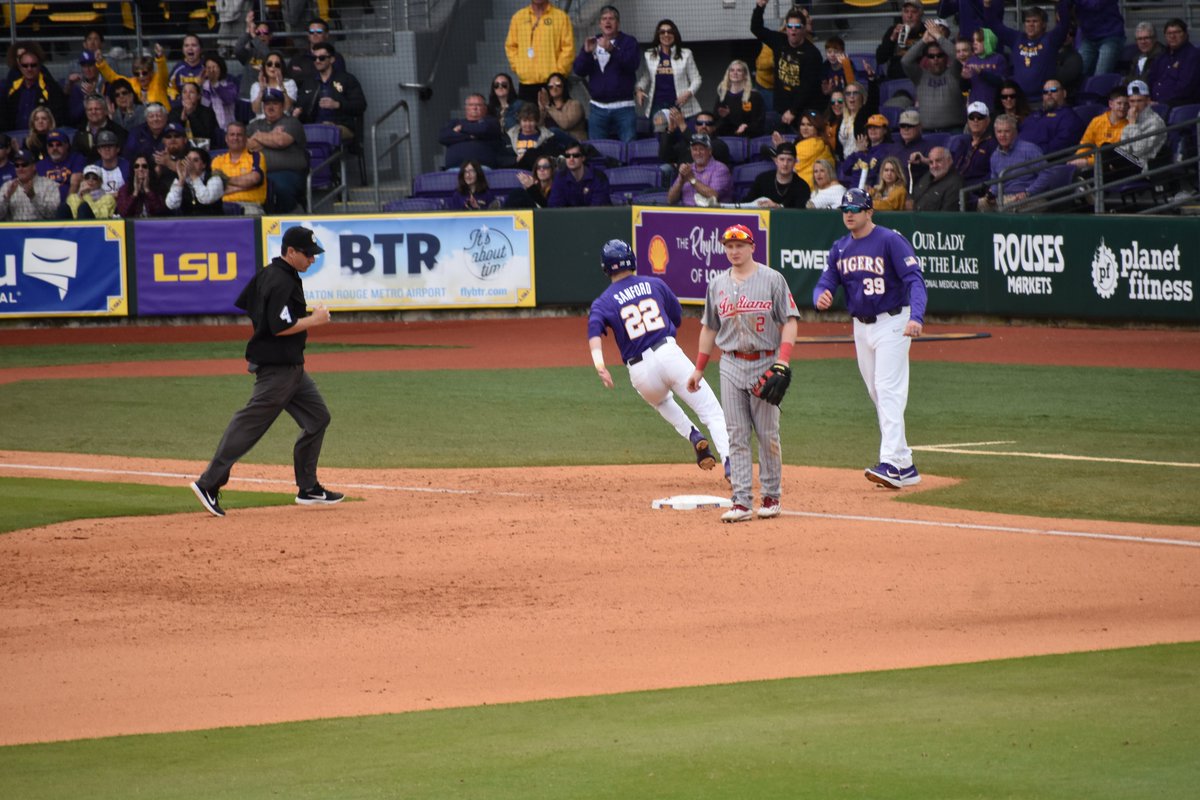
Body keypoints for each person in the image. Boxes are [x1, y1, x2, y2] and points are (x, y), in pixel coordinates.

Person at [190, 225, 344, 518]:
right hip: (278, 371)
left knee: (317, 417)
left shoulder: (269, 274)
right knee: (249, 424)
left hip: (291, 369)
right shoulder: (281, 280)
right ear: (291, 252)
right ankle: (208, 483)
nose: (312, 259)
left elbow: (250, 305)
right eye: (308, 254)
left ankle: (308, 488)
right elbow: (280, 327)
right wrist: (315, 320)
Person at [588, 239, 731, 479]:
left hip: (639, 371)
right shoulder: (654, 283)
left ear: (605, 267)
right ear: (631, 260)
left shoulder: (602, 302)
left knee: (662, 402)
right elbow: (676, 317)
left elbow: (593, 332)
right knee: (711, 411)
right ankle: (730, 462)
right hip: (667, 353)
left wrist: (600, 365)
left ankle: (692, 433)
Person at [814, 189, 927, 490]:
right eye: (845, 209)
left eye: (855, 209)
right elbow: (826, 280)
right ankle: (905, 464)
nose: (849, 214)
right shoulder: (840, 248)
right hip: (861, 327)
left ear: (869, 212)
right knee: (878, 393)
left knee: (888, 390)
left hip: (894, 321)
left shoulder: (890, 240)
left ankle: (890, 463)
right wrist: (820, 294)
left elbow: (915, 280)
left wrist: (916, 317)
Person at [687, 224, 801, 523]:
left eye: (739, 245)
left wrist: (783, 361)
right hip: (731, 364)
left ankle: (771, 496)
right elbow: (709, 328)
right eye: (729, 246)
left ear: (752, 247)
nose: (734, 251)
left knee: (767, 434)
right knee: (736, 435)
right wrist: (699, 368)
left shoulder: (772, 279)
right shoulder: (717, 284)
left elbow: (790, 321)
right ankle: (741, 501)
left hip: (765, 362)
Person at [751, 0, 822, 130]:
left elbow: (807, 87)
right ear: (786, 28)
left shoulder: (812, 54)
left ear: (804, 28)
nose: (793, 30)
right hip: (780, 107)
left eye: (797, 27)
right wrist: (760, 7)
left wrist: (793, 110)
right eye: (790, 26)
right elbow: (756, 28)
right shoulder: (779, 41)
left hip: (801, 111)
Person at [573, 5, 640, 142]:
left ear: (618, 23)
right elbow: (579, 70)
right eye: (604, 19)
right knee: (597, 148)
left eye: (611, 18)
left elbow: (632, 64)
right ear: (599, 24)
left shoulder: (629, 42)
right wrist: (586, 53)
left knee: (629, 147)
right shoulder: (593, 42)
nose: (607, 22)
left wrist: (612, 50)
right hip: (598, 108)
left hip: (624, 108)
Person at [994, 2, 1072, 105]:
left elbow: (1064, 24)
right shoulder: (1016, 38)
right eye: (1027, 21)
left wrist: (1062, 3)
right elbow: (994, 25)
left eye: (1035, 21)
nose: (1031, 24)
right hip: (1020, 101)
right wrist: (987, 6)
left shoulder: (1050, 40)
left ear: (1043, 24)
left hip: (1042, 101)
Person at [247, 89, 309, 213]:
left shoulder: (292, 122)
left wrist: (258, 136)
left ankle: (290, 213)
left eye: (275, 103)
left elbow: (280, 141)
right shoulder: (254, 125)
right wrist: (271, 135)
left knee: (278, 187)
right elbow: (247, 145)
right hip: (258, 172)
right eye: (267, 104)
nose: (270, 107)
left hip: (289, 173)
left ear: (282, 106)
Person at [294, 42, 367, 144]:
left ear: (332, 59)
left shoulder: (347, 79)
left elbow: (360, 105)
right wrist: (297, 112)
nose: (317, 61)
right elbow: (301, 106)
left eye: (322, 58)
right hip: (314, 127)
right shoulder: (309, 82)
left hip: (341, 126)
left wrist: (338, 105)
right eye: (314, 58)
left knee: (326, 131)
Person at [505, 0, 576, 103]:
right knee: (527, 113)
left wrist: (558, 74)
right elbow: (511, 46)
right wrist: (520, 68)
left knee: (554, 114)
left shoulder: (561, 17)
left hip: (553, 85)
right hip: (526, 86)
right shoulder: (518, 18)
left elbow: (568, 48)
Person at [636, 19, 702, 127]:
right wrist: (639, 90)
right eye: (662, 32)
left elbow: (696, 79)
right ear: (658, 35)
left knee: (683, 134)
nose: (666, 35)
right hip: (658, 104)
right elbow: (646, 77)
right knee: (660, 135)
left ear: (675, 34)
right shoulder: (649, 55)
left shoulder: (686, 54)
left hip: (680, 104)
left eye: (669, 32)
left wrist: (688, 93)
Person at [902, 21, 967, 132]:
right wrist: (923, 41)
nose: (935, 59)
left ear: (945, 57)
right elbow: (905, 61)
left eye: (939, 55)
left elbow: (957, 56)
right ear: (926, 58)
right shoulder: (920, 75)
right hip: (927, 133)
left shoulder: (954, 72)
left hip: (954, 131)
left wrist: (939, 37)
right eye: (931, 56)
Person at [977, 113, 1044, 211]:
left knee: (1006, 205)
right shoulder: (995, 156)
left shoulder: (1030, 149)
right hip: (1004, 197)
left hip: (1030, 197)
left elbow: (1046, 175)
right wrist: (991, 195)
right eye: (999, 131)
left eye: (1007, 131)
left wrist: (1028, 192)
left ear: (1015, 132)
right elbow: (995, 182)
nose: (1002, 135)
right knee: (977, 205)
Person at [2, 46, 67, 132]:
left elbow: (59, 117)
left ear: (39, 66)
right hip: (14, 135)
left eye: (33, 65)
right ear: (20, 67)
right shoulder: (11, 88)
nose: (29, 69)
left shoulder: (51, 87)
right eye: (25, 65)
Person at [1113, 80, 1167, 176]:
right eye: (1132, 101)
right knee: (1105, 151)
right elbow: (1125, 146)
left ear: (1148, 101)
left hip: (1144, 166)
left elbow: (1139, 150)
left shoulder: (1155, 122)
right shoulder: (1130, 117)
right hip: (1129, 162)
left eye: (1139, 101)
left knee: (1107, 155)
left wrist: (1132, 125)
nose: (1135, 105)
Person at [949, 101, 997, 207]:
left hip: (975, 191)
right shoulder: (962, 142)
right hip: (955, 187)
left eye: (980, 117)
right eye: (972, 117)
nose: (975, 121)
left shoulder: (993, 145)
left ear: (987, 120)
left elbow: (993, 174)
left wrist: (972, 187)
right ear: (968, 121)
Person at [1020, 79, 1086, 156]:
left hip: (1038, 160)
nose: (1049, 93)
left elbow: (1057, 148)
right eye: (1045, 92)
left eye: (1054, 90)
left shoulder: (1069, 118)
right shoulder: (1035, 114)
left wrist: (1029, 153)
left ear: (1064, 93)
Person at [212, 120, 266, 215]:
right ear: (226, 138)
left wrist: (226, 180)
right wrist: (247, 186)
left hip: (250, 206)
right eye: (232, 134)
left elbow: (254, 179)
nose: (235, 138)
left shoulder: (256, 156)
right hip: (223, 206)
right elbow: (217, 189)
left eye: (239, 135)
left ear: (245, 139)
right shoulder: (217, 160)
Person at [439, 94, 505, 169]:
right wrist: (470, 136)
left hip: (482, 169)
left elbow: (483, 129)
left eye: (478, 105)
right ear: (466, 108)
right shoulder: (454, 122)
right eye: (471, 105)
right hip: (455, 169)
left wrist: (462, 128)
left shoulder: (491, 122)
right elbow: (443, 137)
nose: (474, 108)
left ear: (485, 108)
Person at [1068, 87, 1127, 169]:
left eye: (1126, 104)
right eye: (1119, 103)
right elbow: (1085, 144)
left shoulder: (1129, 125)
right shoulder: (1097, 121)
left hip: (1113, 166)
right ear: (1111, 104)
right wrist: (1077, 158)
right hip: (1092, 164)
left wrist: (1088, 162)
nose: (1123, 107)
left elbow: (1120, 155)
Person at [666, 133, 731, 207]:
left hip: (711, 212)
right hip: (686, 211)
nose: (698, 153)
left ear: (710, 151)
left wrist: (692, 179)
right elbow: (670, 200)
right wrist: (680, 182)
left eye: (701, 149)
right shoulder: (687, 169)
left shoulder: (720, 169)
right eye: (695, 149)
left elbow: (713, 195)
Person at [1147, 18, 1200, 108]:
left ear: (1185, 34)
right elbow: (1151, 80)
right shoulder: (1161, 57)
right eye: (1169, 33)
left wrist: (1161, 103)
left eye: (1177, 32)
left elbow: (1185, 88)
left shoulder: (1193, 56)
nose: (1172, 36)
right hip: (1156, 104)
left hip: (1181, 107)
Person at [741, 140, 810, 208]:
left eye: (789, 160)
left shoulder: (802, 187)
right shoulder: (762, 180)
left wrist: (778, 207)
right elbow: (747, 203)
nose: (785, 164)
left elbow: (800, 212)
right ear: (776, 161)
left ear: (795, 162)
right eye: (782, 159)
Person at [97, 46, 169, 108]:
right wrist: (101, 63)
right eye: (137, 74)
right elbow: (113, 77)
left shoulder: (159, 81)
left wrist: (160, 58)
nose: (141, 76)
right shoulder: (132, 83)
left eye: (144, 73)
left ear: (151, 72)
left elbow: (163, 72)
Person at [1069, 0, 1126, 77]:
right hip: (1088, 37)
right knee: (1076, 74)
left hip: (1110, 36)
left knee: (1100, 76)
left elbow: (1095, 4)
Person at [839, 113, 896, 189]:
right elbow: (845, 169)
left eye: (876, 127)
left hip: (870, 191)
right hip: (852, 191)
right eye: (869, 127)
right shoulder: (862, 149)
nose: (872, 130)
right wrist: (857, 152)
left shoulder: (887, 150)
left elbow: (869, 175)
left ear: (885, 130)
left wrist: (861, 154)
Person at [0, 150, 60, 220]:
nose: (20, 169)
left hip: (40, 226)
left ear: (34, 166)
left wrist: (34, 197)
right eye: (17, 165)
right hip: (16, 226)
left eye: (24, 165)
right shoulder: (7, 186)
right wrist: (6, 198)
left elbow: (53, 214)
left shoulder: (49, 185)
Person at [287, 17, 347, 87]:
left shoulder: (335, 57)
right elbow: (289, 80)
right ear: (308, 35)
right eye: (311, 32)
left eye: (319, 31)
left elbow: (339, 80)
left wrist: (304, 74)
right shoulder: (298, 57)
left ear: (326, 35)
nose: (315, 34)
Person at [713, 60, 765, 138]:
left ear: (745, 75)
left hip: (748, 137)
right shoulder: (722, 96)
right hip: (727, 137)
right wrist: (726, 117)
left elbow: (759, 123)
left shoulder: (754, 96)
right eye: (732, 70)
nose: (735, 73)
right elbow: (716, 122)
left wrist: (747, 127)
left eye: (739, 70)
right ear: (728, 74)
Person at [961, 26, 1008, 112]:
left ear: (988, 41)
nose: (974, 43)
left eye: (979, 41)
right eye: (974, 40)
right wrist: (964, 78)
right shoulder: (970, 60)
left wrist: (981, 73)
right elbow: (965, 89)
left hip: (993, 107)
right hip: (975, 109)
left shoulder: (998, 59)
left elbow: (1001, 82)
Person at [166, 146, 225, 214]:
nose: (190, 164)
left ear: (204, 165)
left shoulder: (215, 179)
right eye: (188, 160)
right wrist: (181, 181)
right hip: (187, 220)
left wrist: (194, 176)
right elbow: (171, 205)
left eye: (195, 160)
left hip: (212, 219)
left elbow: (206, 199)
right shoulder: (180, 180)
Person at [876, 0, 926, 80]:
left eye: (914, 12)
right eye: (906, 12)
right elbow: (880, 59)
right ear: (902, 14)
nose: (909, 16)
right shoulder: (893, 30)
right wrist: (892, 39)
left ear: (921, 14)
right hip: (896, 80)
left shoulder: (927, 31)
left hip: (920, 79)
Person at [36, 130, 86, 204]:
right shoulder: (40, 165)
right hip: (47, 205)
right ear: (47, 147)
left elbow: (75, 184)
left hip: (71, 204)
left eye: (58, 144)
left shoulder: (76, 159)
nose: (54, 148)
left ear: (67, 145)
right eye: (51, 145)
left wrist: (66, 206)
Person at [72, 94, 128, 160]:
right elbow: (75, 156)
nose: (93, 112)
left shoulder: (118, 131)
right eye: (90, 109)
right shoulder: (80, 131)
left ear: (105, 111)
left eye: (97, 109)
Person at [787, 110, 833, 190]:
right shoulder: (821, 142)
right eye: (802, 124)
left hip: (809, 190)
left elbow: (788, 165)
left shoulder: (815, 144)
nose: (805, 128)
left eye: (810, 125)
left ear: (817, 127)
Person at [170, 82, 223, 150]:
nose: (187, 95)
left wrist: (191, 114)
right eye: (184, 92)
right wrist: (182, 121)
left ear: (198, 96)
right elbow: (173, 134)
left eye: (191, 92)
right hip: (181, 149)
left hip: (203, 148)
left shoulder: (207, 112)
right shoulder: (175, 112)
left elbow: (205, 136)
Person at [909, 146, 963, 210]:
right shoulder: (927, 176)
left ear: (949, 160)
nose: (934, 166)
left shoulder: (955, 184)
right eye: (931, 162)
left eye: (938, 161)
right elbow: (913, 197)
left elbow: (947, 214)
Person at [234, 10, 273, 99]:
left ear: (270, 36)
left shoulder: (274, 55)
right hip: (246, 97)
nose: (261, 35)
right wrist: (248, 32)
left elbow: (268, 56)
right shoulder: (249, 53)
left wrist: (254, 36)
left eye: (265, 33)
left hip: (265, 98)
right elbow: (238, 50)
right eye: (258, 33)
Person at [537, 72, 587, 141]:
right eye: (550, 86)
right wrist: (542, 109)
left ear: (564, 86)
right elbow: (539, 128)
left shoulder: (575, 104)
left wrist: (549, 106)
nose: (554, 88)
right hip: (552, 144)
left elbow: (565, 124)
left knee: (553, 131)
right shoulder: (547, 108)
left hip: (575, 144)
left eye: (558, 85)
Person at [507, 104, 557, 170]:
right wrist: (515, 159)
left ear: (536, 121)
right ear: (520, 121)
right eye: (524, 121)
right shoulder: (510, 135)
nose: (528, 124)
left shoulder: (547, 137)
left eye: (531, 121)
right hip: (514, 170)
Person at [250, 51, 297, 119]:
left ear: (281, 67)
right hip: (261, 121)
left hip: (283, 121)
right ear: (264, 67)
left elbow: (287, 108)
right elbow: (256, 110)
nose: (273, 66)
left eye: (277, 65)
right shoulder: (256, 85)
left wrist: (281, 86)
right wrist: (261, 91)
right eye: (269, 64)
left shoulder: (289, 83)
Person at [65, 51, 106, 126]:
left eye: (90, 65)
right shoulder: (77, 86)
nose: (87, 69)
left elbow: (109, 110)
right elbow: (74, 115)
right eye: (84, 66)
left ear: (97, 65)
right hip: (83, 126)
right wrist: (87, 98)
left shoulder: (107, 83)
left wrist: (94, 95)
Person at [201, 52, 238, 132]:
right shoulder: (204, 86)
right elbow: (204, 106)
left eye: (214, 67)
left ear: (221, 68)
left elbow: (228, 99)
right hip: (210, 128)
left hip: (227, 127)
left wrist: (215, 83)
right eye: (208, 68)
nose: (212, 70)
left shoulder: (229, 82)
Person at [90, 129, 130, 196]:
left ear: (118, 149)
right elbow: (91, 194)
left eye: (110, 145)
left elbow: (131, 192)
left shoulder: (127, 167)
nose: (107, 149)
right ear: (98, 150)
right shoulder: (93, 169)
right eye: (103, 146)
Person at [168, 34, 207, 102]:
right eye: (186, 45)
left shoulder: (207, 67)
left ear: (201, 49)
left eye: (194, 45)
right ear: (183, 50)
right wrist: (178, 100)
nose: (190, 48)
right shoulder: (178, 68)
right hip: (182, 106)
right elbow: (170, 88)